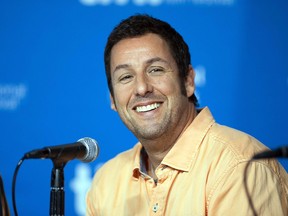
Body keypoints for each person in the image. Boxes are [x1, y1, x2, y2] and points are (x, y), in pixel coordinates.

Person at [86, 14, 288, 215]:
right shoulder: (106, 182)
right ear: (112, 98)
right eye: (126, 77)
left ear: (188, 81)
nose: (141, 88)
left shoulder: (239, 167)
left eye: (155, 70)